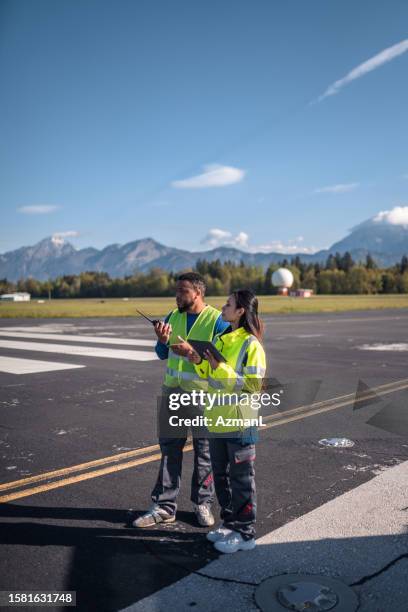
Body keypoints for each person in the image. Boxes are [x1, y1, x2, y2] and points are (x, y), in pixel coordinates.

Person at [132, 272, 230, 528]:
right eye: (177, 290)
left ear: (197, 293)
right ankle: (165, 506)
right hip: (173, 393)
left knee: (205, 454)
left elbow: (225, 360)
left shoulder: (217, 320)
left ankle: (203, 503)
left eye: (182, 291)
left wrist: (194, 353)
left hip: (205, 397)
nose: (177, 295)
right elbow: (161, 354)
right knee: (169, 452)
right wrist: (162, 340)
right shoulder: (172, 316)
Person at [185, 289, 266, 553]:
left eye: (228, 304)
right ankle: (230, 523)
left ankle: (246, 533)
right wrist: (198, 360)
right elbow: (211, 376)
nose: (223, 306)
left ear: (241, 311)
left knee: (241, 480)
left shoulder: (251, 345)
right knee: (221, 478)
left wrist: (222, 369)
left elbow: (254, 386)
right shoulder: (221, 339)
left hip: (240, 423)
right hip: (217, 422)